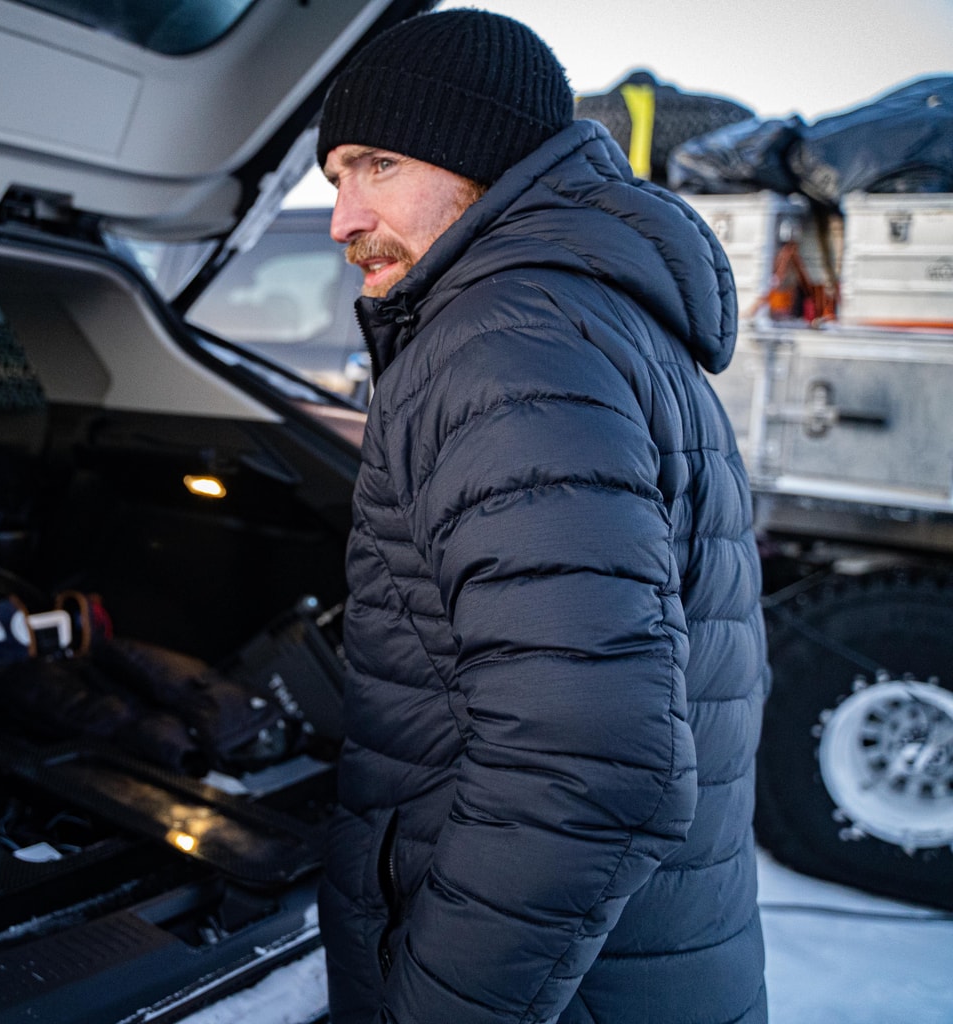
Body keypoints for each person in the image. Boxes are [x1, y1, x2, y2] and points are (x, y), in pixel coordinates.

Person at [316, 9, 768, 1024]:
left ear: (481, 160)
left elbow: (589, 762)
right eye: (334, 177)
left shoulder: (502, 345)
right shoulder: (585, 314)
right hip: (638, 960)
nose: (343, 218)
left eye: (375, 165)